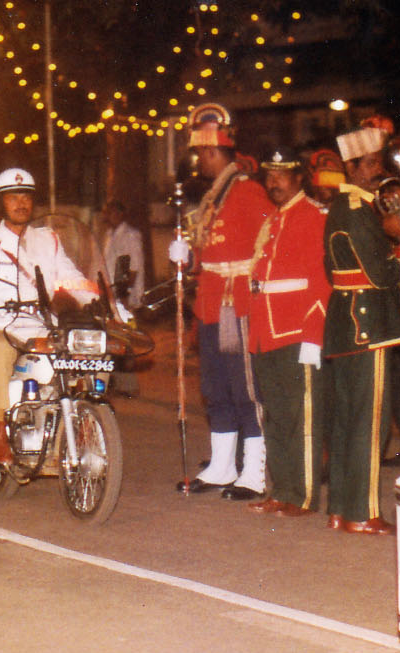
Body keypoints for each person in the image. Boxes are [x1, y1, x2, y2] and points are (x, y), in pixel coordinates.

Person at [323, 119, 400, 535]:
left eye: (378, 162)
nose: (377, 170)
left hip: (349, 324)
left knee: (348, 420)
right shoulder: (357, 211)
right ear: (350, 168)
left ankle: (341, 508)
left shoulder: (350, 207)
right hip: (367, 325)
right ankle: (362, 512)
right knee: (370, 423)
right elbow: (383, 273)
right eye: (368, 163)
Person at [167, 102, 274, 498]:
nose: (199, 162)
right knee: (215, 388)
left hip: (237, 304)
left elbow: (270, 242)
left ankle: (254, 472)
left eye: (201, 154)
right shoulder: (215, 196)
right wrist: (189, 257)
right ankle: (223, 466)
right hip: (211, 303)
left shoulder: (247, 191)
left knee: (244, 388)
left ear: (213, 152)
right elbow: (209, 252)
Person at [0, 166, 97, 466]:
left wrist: (98, 302)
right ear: (1, 203)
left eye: (25, 196)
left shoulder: (48, 239)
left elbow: (71, 277)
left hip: (42, 322)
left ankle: (85, 419)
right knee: (0, 350)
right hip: (3, 321)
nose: (20, 203)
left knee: (88, 347)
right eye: (12, 197)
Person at [245, 147, 329, 516]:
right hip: (266, 331)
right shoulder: (275, 218)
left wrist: (314, 335)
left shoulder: (313, 216)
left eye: (281, 174)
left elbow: (322, 282)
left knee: (302, 418)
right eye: (269, 174)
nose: (273, 181)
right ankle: (281, 490)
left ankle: (303, 495)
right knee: (276, 416)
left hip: (296, 331)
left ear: (298, 177)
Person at [98, 199, 146, 308]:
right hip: (112, 293)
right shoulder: (108, 236)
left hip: (126, 296)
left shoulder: (131, 235)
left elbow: (134, 266)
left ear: (120, 214)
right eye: (106, 213)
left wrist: (125, 294)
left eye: (110, 212)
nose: (106, 216)